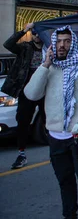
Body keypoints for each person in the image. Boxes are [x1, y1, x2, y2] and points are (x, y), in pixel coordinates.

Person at [24, 25, 78, 219]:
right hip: (55, 138)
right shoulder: (49, 67)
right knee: (65, 182)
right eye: (59, 41)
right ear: (54, 43)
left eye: (67, 41)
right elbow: (31, 94)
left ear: (73, 43)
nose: (62, 45)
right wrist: (44, 65)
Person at [2, 23, 45, 169]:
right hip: (27, 91)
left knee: (49, 120)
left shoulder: (49, 48)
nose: (36, 36)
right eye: (34, 33)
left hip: (45, 91)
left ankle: (58, 151)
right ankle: (21, 154)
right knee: (23, 121)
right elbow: (8, 44)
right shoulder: (25, 47)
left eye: (39, 33)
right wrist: (24, 30)